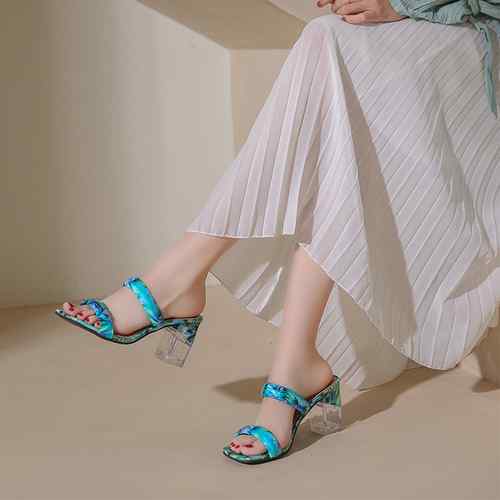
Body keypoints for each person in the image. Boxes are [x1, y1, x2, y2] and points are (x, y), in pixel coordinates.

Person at [55, 0, 500, 465]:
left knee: (330, 45)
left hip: (476, 38)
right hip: (425, 22)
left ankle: (178, 280)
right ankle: (292, 365)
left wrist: (401, 4)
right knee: (328, 51)